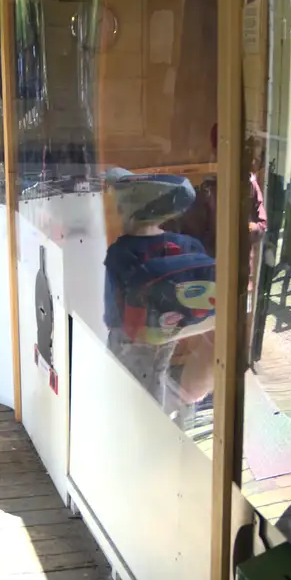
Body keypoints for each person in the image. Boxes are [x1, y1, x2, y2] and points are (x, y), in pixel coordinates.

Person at [102, 168, 215, 414]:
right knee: (157, 374)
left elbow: (113, 306)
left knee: (124, 387)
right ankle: (154, 423)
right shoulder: (187, 244)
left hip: (128, 335)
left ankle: (140, 433)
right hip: (169, 331)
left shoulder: (121, 251)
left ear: (128, 210)